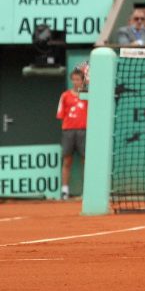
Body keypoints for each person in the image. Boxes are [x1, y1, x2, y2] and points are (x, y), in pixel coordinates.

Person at [57, 69, 88, 200]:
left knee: (86, 161)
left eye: (78, 79)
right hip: (68, 131)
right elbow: (60, 115)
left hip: (84, 131)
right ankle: (65, 191)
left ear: (83, 81)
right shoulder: (65, 96)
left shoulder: (88, 96)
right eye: (73, 79)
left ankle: (87, 191)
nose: (75, 82)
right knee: (67, 160)